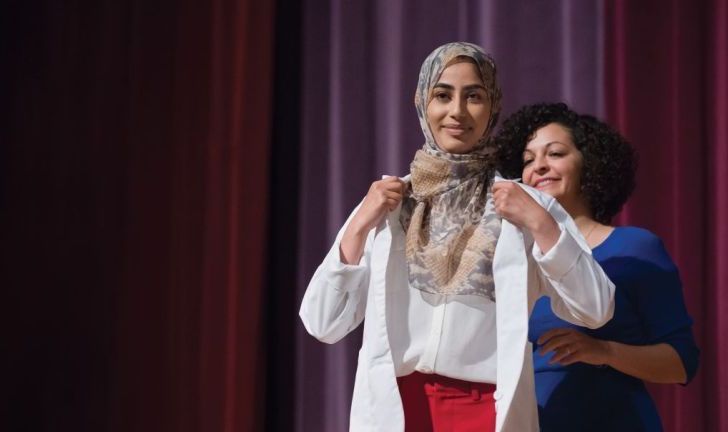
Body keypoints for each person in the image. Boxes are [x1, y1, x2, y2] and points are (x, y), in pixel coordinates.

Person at [299, 43, 615, 432]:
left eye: (474, 97)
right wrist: (358, 226)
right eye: (443, 95)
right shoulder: (390, 204)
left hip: (486, 413)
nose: (457, 112)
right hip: (396, 410)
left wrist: (544, 226)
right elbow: (322, 322)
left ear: (493, 105)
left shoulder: (524, 207)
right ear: (421, 102)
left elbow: (595, 309)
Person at [495, 102, 700, 431]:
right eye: (528, 160)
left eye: (556, 153)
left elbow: (682, 362)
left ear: (589, 164)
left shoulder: (634, 248)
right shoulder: (515, 260)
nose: (539, 167)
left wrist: (604, 351)